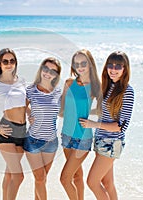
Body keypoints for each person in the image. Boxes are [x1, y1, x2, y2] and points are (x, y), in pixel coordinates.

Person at [79, 51, 134, 200]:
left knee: (92, 182)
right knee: (107, 182)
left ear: (125, 69)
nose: (113, 69)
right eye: (110, 65)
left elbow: (121, 126)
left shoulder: (127, 91)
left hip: (112, 143)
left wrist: (93, 124)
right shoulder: (108, 87)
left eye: (118, 66)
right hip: (101, 140)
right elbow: (103, 111)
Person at [59, 49, 101, 200]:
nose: (80, 67)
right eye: (76, 64)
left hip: (83, 138)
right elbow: (62, 110)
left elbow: (102, 111)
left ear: (90, 64)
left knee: (64, 179)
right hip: (66, 135)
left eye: (83, 63)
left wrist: (92, 122)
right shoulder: (69, 83)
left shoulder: (96, 86)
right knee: (77, 176)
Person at [0, 48, 27, 200]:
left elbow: (24, 104)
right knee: (19, 176)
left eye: (12, 61)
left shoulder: (21, 81)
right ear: (0, 64)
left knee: (10, 173)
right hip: (6, 131)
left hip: (22, 131)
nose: (9, 64)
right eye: (5, 61)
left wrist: (31, 115)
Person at [23, 57, 62, 200]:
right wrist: (29, 115)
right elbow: (22, 107)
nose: (48, 73)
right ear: (41, 69)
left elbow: (63, 112)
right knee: (40, 178)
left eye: (53, 71)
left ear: (56, 75)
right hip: (33, 140)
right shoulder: (30, 90)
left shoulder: (58, 92)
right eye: (46, 69)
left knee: (42, 179)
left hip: (51, 142)